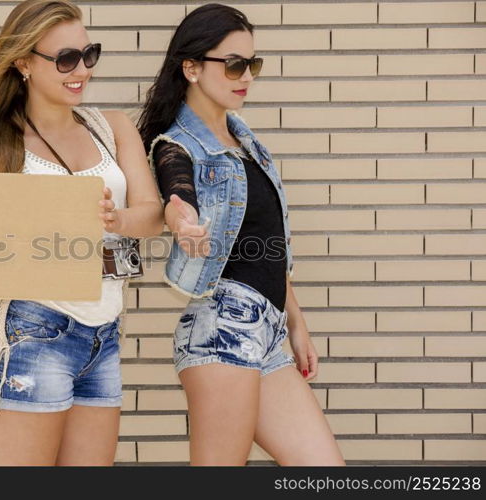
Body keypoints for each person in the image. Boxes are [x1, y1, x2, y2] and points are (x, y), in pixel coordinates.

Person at [0, 0, 162, 465]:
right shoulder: (0, 145)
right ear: (24, 63)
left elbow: (152, 214)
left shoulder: (111, 128)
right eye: (65, 59)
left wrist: (118, 221)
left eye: (88, 54)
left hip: (104, 335)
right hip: (35, 333)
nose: (81, 70)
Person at [138, 3, 345, 466]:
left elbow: (270, 243)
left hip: (267, 331)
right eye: (233, 63)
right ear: (191, 67)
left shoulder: (244, 139)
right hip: (222, 331)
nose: (246, 75)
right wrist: (181, 219)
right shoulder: (177, 145)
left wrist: (297, 323)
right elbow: (177, 189)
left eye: (252, 63)